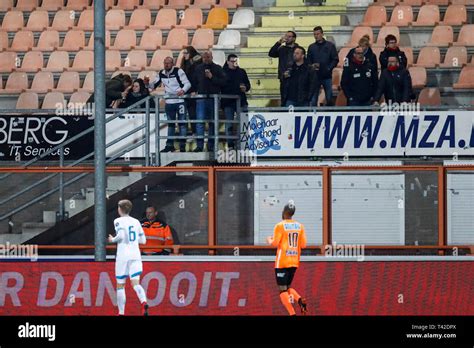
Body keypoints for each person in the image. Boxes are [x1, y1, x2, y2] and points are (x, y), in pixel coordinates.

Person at [108, 199, 149, 316]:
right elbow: (143, 241)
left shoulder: (118, 221)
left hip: (123, 255)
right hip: (135, 254)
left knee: (120, 284)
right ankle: (144, 301)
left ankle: (121, 313)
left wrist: (112, 240)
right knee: (136, 283)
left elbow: (120, 235)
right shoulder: (136, 222)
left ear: (119, 209)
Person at [266, 201, 308, 316]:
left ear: (284, 212)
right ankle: (299, 300)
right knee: (288, 287)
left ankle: (292, 313)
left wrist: (269, 239)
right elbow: (304, 245)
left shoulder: (280, 225)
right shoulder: (300, 226)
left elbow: (274, 243)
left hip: (282, 262)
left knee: (282, 291)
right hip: (294, 261)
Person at [145, 56, 191, 153]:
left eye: (168, 63)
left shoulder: (179, 71)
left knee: (182, 124)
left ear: (173, 63)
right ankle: (169, 145)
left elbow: (187, 84)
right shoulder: (161, 73)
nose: (166, 65)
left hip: (180, 101)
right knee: (170, 124)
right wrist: (147, 84)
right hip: (169, 102)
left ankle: (182, 145)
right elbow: (153, 86)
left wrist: (183, 90)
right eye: (165, 63)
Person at [192, 50, 227, 152]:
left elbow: (224, 82)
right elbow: (193, 82)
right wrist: (194, 90)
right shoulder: (198, 68)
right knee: (200, 123)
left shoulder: (217, 68)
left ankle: (211, 146)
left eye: (208, 57)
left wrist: (212, 77)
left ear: (212, 57)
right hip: (201, 99)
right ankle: (199, 146)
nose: (206, 59)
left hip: (213, 99)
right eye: (204, 57)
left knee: (213, 123)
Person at [221, 54, 251, 149]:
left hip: (241, 100)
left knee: (243, 123)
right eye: (232, 61)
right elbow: (221, 86)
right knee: (229, 123)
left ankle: (242, 144)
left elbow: (248, 85)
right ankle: (230, 144)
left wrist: (245, 88)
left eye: (235, 61)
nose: (234, 63)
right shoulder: (223, 72)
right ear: (228, 61)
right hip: (228, 102)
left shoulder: (242, 71)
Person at [307, 26, 339, 106]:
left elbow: (335, 59)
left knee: (329, 98)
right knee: (313, 99)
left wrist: (328, 68)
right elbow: (308, 61)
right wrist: (312, 66)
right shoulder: (311, 47)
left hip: (327, 76)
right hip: (315, 76)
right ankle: (313, 116)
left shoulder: (330, 46)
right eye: (314, 34)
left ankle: (331, 115)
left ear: (322, 34)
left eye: (318, 34)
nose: (316, 36)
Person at [268, 31, 299, 106]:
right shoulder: (282, 49)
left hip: (296, 78)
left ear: (294, 38)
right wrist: (279, 42)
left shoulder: (298, 49)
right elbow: (271, 53)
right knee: (284, 99)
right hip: (284, 78)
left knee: (297, 99)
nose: (286, 38)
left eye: (289, 36)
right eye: (286, 36)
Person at [180, 46, 202, 136]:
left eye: (186, 53)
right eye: (184, 53)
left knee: (196, 114)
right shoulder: (185, 64)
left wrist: (197, 90)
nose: (184, 55)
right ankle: (194, 131)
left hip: (195, 92)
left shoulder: (197, 62)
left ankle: (198, 132)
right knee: (191, 113)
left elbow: (198, 79)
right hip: (187, 92)